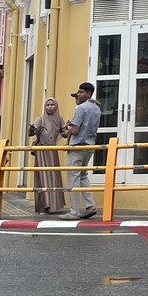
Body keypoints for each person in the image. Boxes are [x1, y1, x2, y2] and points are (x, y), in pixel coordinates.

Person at [64, 82, 100, 220]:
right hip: (90, 146)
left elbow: (75, 130)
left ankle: (74, 211)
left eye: (81, 92)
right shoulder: (97, 108)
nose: (78, 95)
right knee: (83, 176)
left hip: (78, 146)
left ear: (88, 93)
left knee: (73, 178)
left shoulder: (81, 108)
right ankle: (90, 205)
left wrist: (68, 126)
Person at [28, 97, 68, 216]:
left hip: (53, 150)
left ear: (56, 106)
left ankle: (54, 204)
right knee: (43, 176)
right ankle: (45, 205)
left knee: (53, 176)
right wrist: (33, 129)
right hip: (42, 150)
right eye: (47, 105)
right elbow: (30, 133)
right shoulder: (39, 119)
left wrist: (69, 129)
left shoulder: (59, 119)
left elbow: (64, 134)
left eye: (52, 105)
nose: (49, 107)